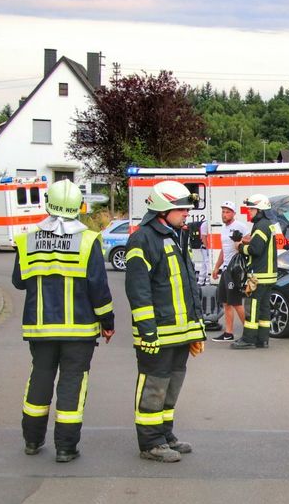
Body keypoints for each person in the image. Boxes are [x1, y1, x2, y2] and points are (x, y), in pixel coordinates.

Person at [11, 180, 115, 462]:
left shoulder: (29, 238)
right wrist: (108, 321)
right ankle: (66, 448)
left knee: (40, 378)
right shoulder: (88, 240)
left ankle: (32, 441)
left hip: (40, 328)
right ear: (79, 207)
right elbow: (98, 288)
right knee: (72, 384)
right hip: (79, 331)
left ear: (48, 203)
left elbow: (18, 281)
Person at [126, 180, 206, 462]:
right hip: (157, 334)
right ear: (164, 209)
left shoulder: (175, 235)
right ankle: (150, 443)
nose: (187, 214)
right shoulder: (142, 239)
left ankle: (164, 434)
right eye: (182, 209)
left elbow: (188, 286)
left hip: (178, 334)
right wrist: (147, 332)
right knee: (153, 386)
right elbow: (138, 290)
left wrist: (196, 329)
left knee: (172, 385)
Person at [231, 193, 279, 350]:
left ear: (259, 210)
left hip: (258, 276)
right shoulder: (269, 224)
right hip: (269, 276)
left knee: (252, 307)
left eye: (251, 209)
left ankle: (249, 339)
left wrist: (240, 247)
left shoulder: (260, 226)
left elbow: (255, 250)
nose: (249, 212)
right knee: (264, 309)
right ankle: (263, 339)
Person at [209, 200, 250, 343]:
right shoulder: (224, 229)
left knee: (236, 302)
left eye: (227, 212)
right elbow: (223, 250)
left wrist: (241, 240)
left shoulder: (240, 226)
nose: (224, 214)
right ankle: (228, 333)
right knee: (226, 302)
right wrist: (216, 267)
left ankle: (249, 332)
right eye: (223, 212)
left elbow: (251, 240)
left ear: (233, 214)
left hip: (235, 269)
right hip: (226, 269)